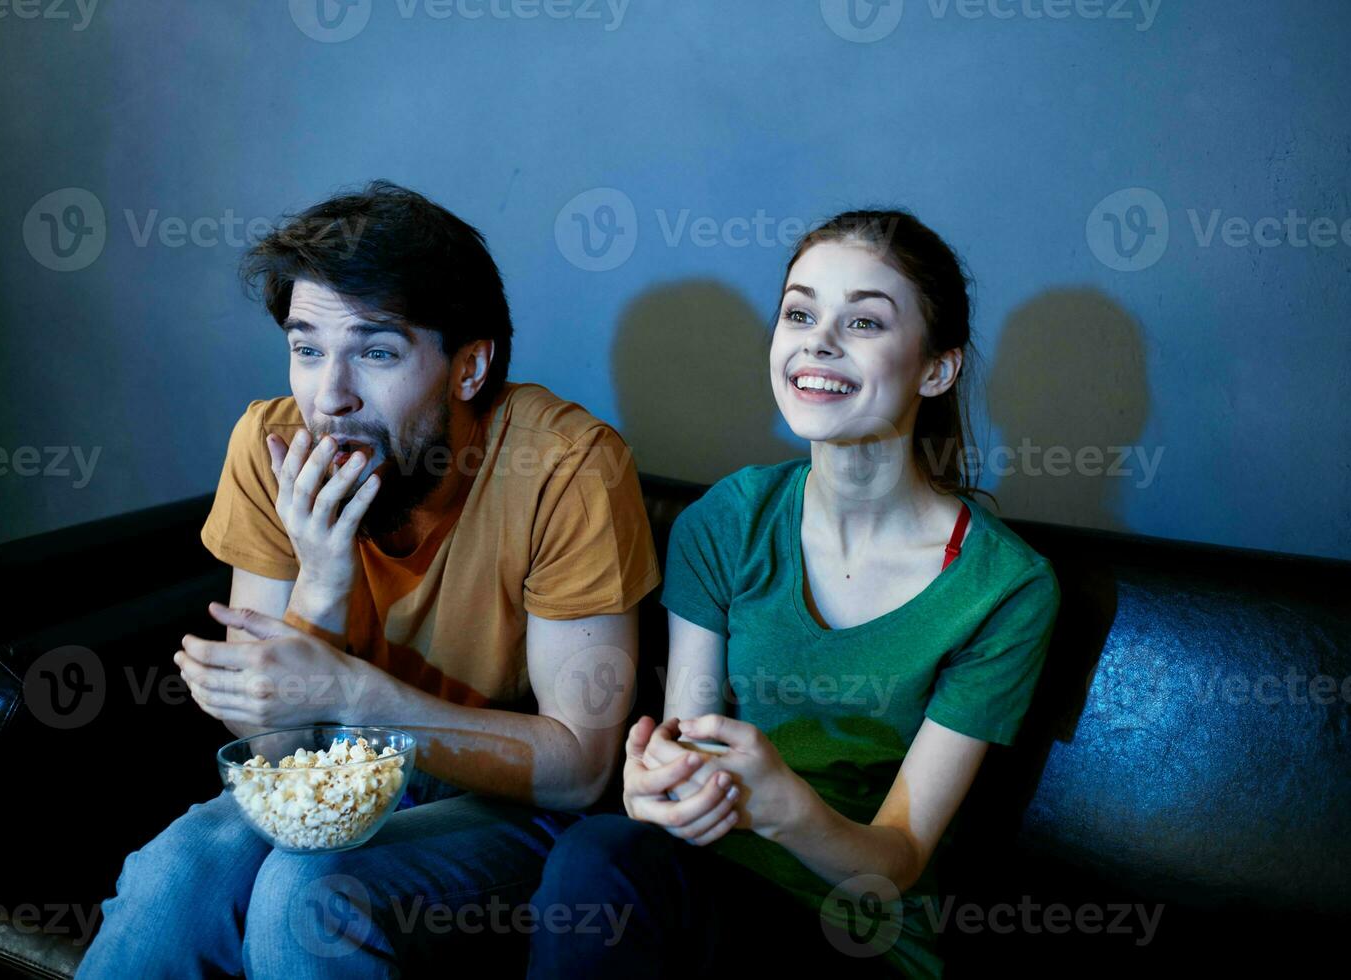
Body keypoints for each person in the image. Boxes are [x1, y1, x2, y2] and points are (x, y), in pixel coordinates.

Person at [77, 180, 660, 977]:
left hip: (507, 803)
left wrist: (348, 693)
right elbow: (275, 748)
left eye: (376, 351)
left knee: (307, 892)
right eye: (307, 348)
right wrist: (319, 579)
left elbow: (579, 766)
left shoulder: (566, 467)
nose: (330, 396)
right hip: (335, 776)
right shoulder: (270, 444)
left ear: (468, 367)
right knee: (173, 876)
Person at [527, 209, 1062, 978]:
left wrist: (787, 808)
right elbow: (688, 744)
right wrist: (656, 788)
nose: (818, 341)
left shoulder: (1004, 589)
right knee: (601, 852)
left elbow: (899, 858)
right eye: (800, 313)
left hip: (857, 935)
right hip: (704, 892)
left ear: (936, 369)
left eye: (864, 322)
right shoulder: (726, 522)